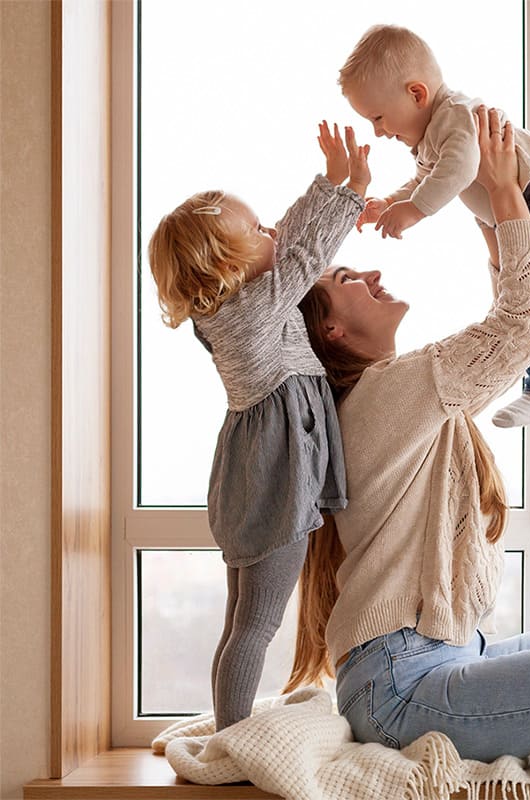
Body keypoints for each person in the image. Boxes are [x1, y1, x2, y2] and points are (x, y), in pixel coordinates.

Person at [285, 107, 530, 774]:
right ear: (330, 333)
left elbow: (512, 326)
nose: (373, 276)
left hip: (450, 656)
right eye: (348, 281)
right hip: (399, 688)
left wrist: (486, 216)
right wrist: (504, 193)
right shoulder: (383, 394)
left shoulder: (400, 391)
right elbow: (527, 323)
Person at [147, 122, 370, 730]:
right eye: (254, 230)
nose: (270, 228)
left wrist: (329, 181)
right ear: (227, 261)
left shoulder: (223, 310)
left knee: (240, 622)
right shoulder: (253, 310)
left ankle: (227, 727)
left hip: (252, 475)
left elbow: (289, 238)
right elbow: (303, 253)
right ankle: (232, 740)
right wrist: (349, 192)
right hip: (275, 482)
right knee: (255, 626)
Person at [338, 23, 530, 435]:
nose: (379, 131)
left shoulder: (456, 116)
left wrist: (416, 211)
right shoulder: (433, 137)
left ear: (416, 93)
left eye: (378, 117)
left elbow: (458, 169)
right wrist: (390, 203)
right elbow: (427, 178)